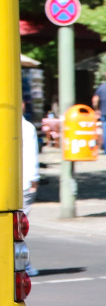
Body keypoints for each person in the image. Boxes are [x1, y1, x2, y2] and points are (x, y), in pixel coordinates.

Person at [20, 114, 38, 276]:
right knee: (17, 231)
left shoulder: (24, 127)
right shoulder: (26, 127)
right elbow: (32, 156)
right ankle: (23, 265)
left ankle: (23, 265)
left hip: (21, 184)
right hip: (23, 184)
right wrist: (34, 180)